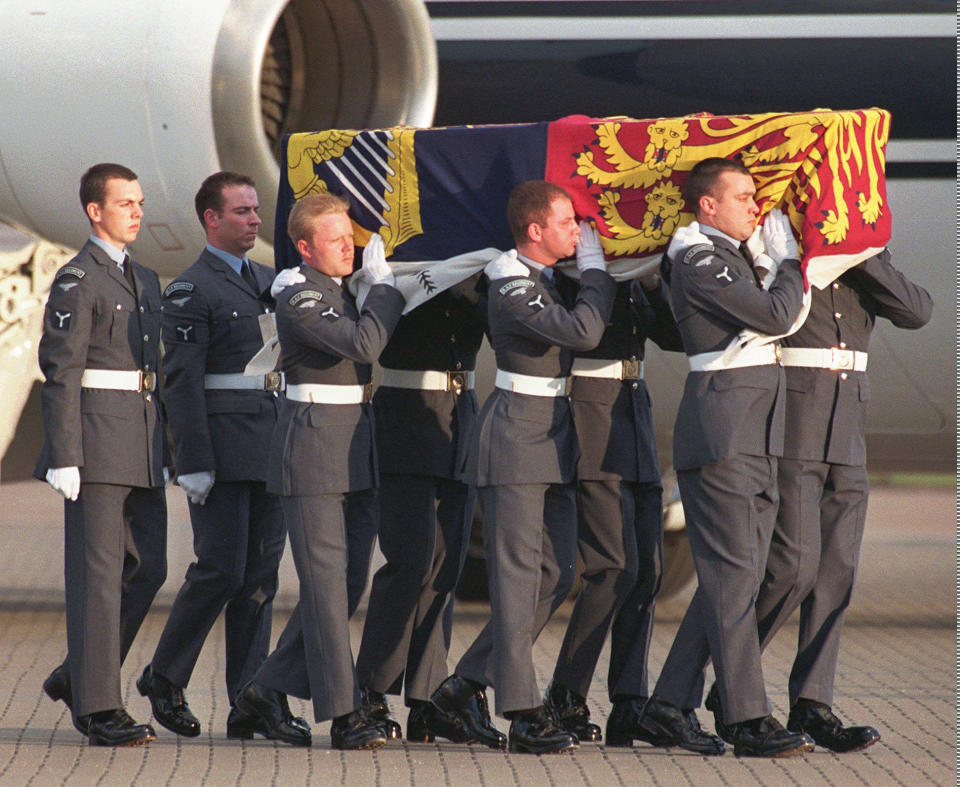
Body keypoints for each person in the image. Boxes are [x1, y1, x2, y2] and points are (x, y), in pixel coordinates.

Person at [704, 249, 932, 752]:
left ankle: (811, 704)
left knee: (836, 572)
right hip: (795, 424)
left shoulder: (863, 253)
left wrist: (863, 258)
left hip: (847, 425)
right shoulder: (782, 250)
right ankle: (734, 687)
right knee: (791, 567)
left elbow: (916, 311)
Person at [426, 180, 616, 754]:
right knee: (515, 578)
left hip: (552, 435)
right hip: (516, 434)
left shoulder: (545, 280)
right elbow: (583, 331)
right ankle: (522, 710)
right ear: (535, 231)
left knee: (556, 572)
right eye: (566, 223)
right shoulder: (510, 284)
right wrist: (597, 272)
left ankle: (462, 686)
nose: (577, 231)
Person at [637, 157, 811, 757]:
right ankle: (744, 719)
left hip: (753, 438)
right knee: (734, 578)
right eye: (742, 197)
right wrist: (786, 261)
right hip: (724, 439)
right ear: (706, 205)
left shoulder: (733, 257)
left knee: (733, 581)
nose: (755, 207)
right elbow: (777, 315)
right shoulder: (699, 258)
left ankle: (667, 705)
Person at [234, 192, 405, 750]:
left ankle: (267, 687)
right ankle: (344, 714)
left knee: (348, 580)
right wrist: (384, 287)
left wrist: (367, 287)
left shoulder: (340, 291)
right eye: (336, 241)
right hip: (311, 453)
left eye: (350, 239)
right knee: (326, 586)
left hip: (354, 449)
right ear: (305, 248)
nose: (349, 249)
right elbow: (364, 341)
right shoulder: (301, 296)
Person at [137, 172, 290, 740]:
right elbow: (181, 382)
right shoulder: (191, 289)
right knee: (219, 571)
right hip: (222, 451)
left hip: (268, 447)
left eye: (255, 211)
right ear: (212, 219)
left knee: (259, 579)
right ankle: (165, 676)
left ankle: (249, 699)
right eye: (242, 212)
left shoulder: (270, 282)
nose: (254, 219)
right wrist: (191, 460)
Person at [37, 163, 168, 746]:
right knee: (97, 576)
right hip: (93, 442)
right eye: (125, 203)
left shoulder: (145, 278)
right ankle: (98, 707)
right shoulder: (77, 277)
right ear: (95, 211)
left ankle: (77, 672)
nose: (137, 212)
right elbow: (60, 371)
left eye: (140, 202)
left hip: (139, 439)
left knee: (149, 567)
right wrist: (65, 454)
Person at [548, 270, 683, 744]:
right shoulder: (571, 271)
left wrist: (648, 281)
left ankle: (628, 702)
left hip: (632, 415)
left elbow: (677, 334)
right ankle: (565, 695)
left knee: (646, 571)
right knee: (612, 569)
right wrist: (595, 269)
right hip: (593, 416)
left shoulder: (632, 269)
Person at [354, 280, 486, 742]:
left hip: (459, 420)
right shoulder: (405, 268)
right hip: (406, 421)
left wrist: (477, 288)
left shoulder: (480, 276)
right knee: (410, 563)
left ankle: (428, 699)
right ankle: (370, 688)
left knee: (444, 569)